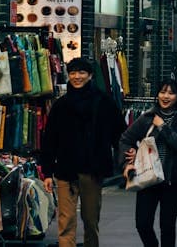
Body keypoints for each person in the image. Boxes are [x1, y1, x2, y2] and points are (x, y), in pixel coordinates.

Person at [40, 57, 125, 247]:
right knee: (65, 220)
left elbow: (119, 133)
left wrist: (126, 159)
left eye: (81, 73)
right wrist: (46, 172)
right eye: (72, 73)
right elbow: (49, 140)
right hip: (65, 170)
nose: (77, 77)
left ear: (90, 75)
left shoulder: (104, 102)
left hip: (92, 170)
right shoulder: (60, 105)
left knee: (91, 219)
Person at [118, 79, 177, 247]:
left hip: (172, 180)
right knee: (142, 224)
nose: (166, 96)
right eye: (162, 92)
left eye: (171, 93)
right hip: (147, 177)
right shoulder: (147, 117)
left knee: (167, 226)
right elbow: (126, 139)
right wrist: (127, 162)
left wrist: (162, 126)